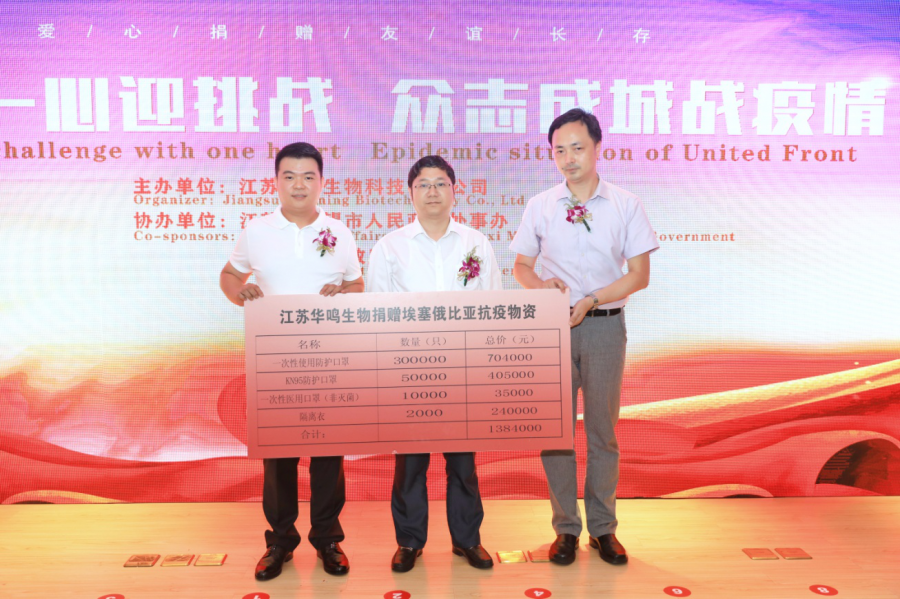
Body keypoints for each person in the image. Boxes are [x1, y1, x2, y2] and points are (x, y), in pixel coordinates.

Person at [510, 108, 658, 566]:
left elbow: (639, 275)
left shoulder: (625, 204)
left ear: (597, 148)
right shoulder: (540, 205)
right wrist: (542, 288)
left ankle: (603, 528)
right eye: (560, 150)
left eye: (577, 148)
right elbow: (520, 267)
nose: (569, 158)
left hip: (605, 326)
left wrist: (592, 299)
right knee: (555, 433)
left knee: (602, 432)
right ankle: (565, 530)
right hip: (552, 329)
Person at [219, 142, 363, 581]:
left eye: (308, 176)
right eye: (289, 176)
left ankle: (328, 539)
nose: (299, 185)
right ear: (276, 181)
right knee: (278, 456)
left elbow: (357, 285)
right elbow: (230, 274)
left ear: (321, 182)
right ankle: (280, 541)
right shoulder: (257, 229)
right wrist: (239, 292)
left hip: (329, 358)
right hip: (276, 358)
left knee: (328, 453)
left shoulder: (339, 231)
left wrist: (344, 293)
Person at [367, 155, 501, 572]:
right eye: (423, 184)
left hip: (463, 369)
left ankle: (467, 540)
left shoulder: (477, 243)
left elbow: (494, 305)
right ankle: (409, 542)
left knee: (463, 462)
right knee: (411, 463)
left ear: (454, 191)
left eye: (440, 183)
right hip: (408, 369)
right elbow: (375, 311)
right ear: (410, 193)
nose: (432, 192)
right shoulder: (390, 246)